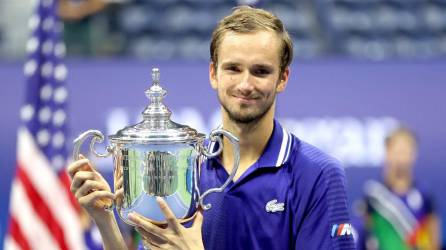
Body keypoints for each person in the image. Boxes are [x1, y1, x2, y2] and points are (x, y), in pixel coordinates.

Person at [68, 6, 355, 250]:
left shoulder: (317, 174)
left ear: (283, 78)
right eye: (233, 69)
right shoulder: (183, 164)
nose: (245, 84)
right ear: (213, 74)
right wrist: (105, 220)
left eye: (260, 71)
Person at [358, 127, 441, 250]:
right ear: (387, 153)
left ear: (414, 154)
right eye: (397, 151)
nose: (401, 158)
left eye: (406, 152)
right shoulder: (373, 197)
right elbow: (362, 237)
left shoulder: (425, 196)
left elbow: (434, 241)